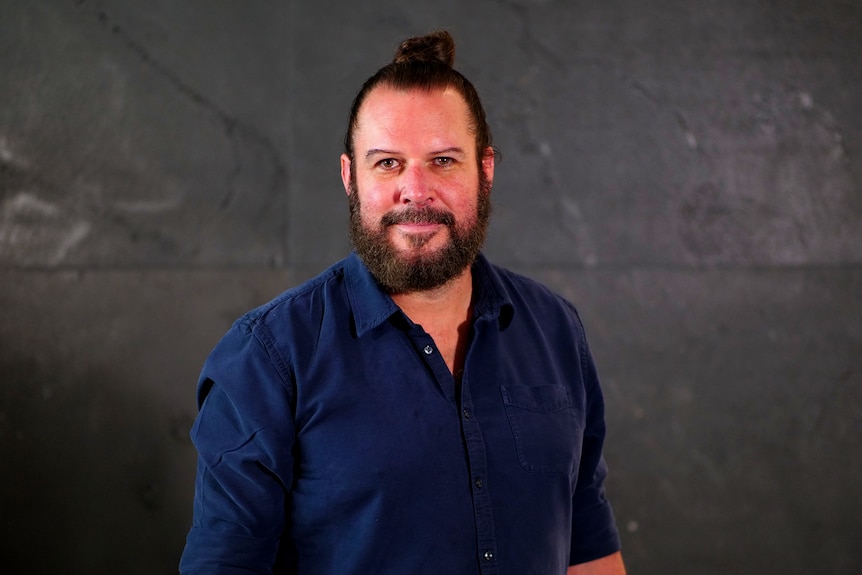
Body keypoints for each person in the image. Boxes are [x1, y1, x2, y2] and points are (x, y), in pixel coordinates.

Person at [179, 30, 625, 575]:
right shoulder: (268, 358)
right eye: (388, 163)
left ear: (485, 171)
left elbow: (587, 544)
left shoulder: (555, 330)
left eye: (442, 160)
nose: (415, 190)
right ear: (350, 177)